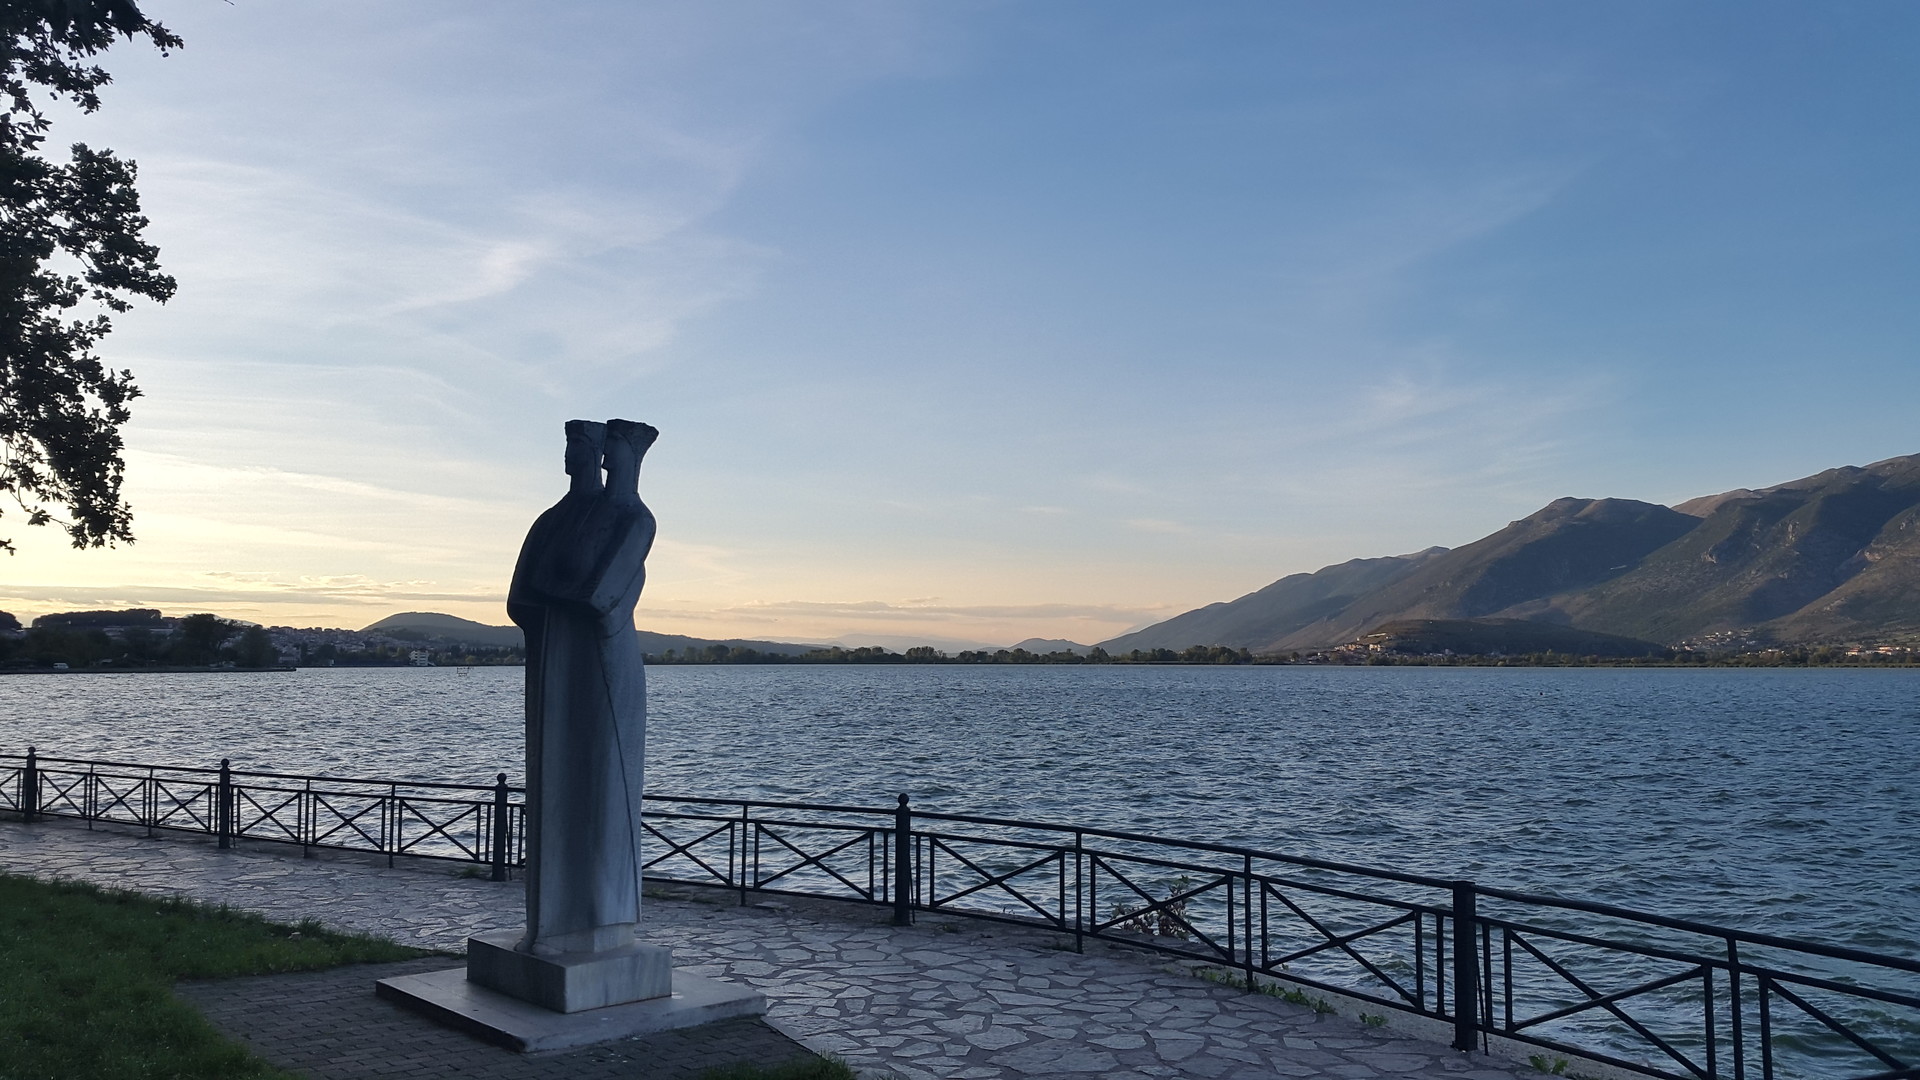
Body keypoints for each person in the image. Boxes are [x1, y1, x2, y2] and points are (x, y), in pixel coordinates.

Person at [507, 418, 659, 956]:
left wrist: (562, 590)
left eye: (585, 448)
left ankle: (603, 921)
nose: (574, 460)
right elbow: (521, 599)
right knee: (556, 779)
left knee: (603, 784)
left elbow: (601, 597)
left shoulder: (635, 519)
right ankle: (554, 923)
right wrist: (569, 591)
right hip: (554, 661)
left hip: (603, 665)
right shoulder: (555, 519)